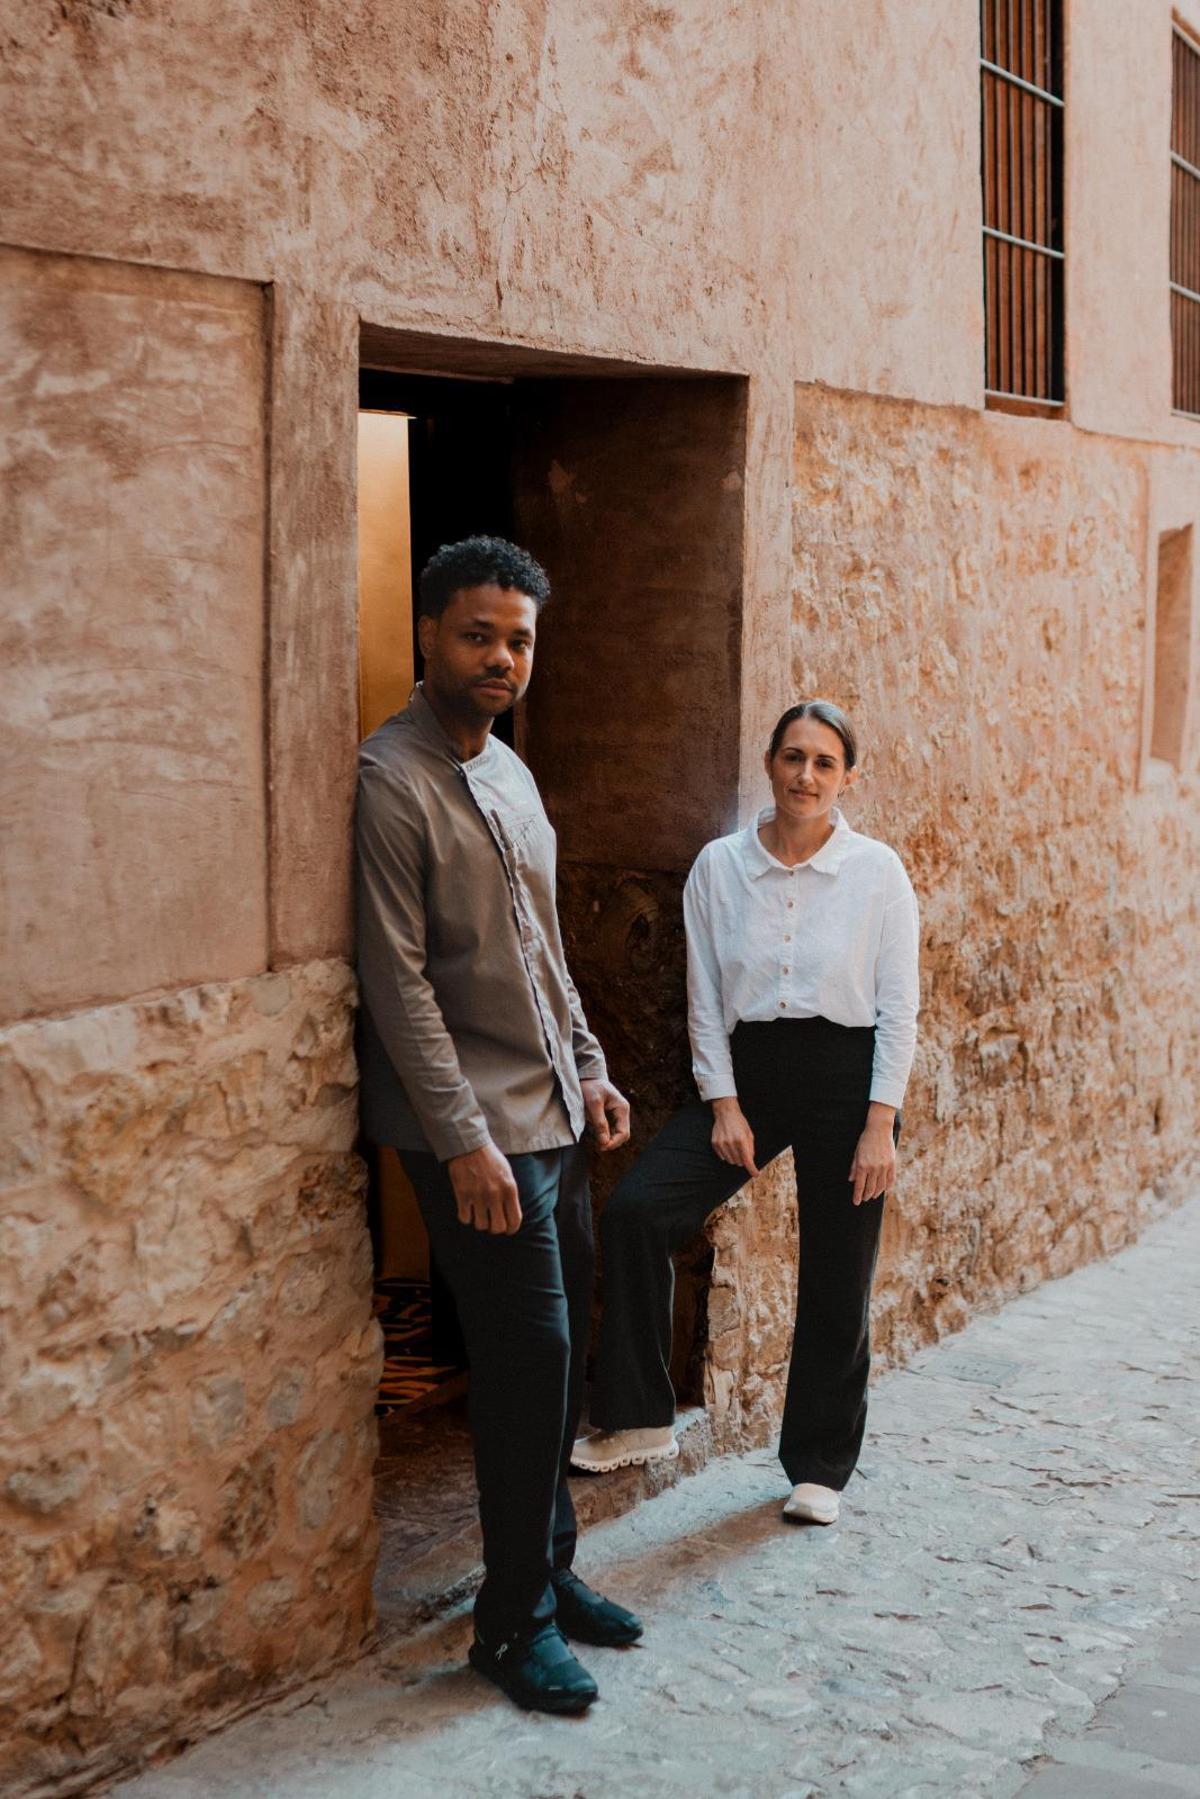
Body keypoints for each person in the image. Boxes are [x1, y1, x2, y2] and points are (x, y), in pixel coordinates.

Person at [355, 535, 638, 1715]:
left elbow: (543, 943)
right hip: (471, 1133)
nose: (502, 657)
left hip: (554, 1112)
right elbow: (399, 980)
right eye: (478, 633)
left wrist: (591, 1063)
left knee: (561, 1352)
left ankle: (549, 1568)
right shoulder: (392, 777)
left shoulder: (511, 772)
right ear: (428, 633)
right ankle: (508, 1624)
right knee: (524, 1367)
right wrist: (468, 1141)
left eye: (518, 638)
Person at [572, 700, 919, 1526]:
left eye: (824, 763)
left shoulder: (878, 873)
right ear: (769, 764)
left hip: (848, 1075)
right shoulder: (718, 869)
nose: (806, 776)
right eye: (793, 757)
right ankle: (640, 1414)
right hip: (751, 1075)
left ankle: (819, 1466)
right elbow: (705, 1003)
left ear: (847, 779)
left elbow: (900, 1007)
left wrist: (881, 1122)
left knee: (838, 1275)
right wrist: (723, 1104)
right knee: (637, 1211)